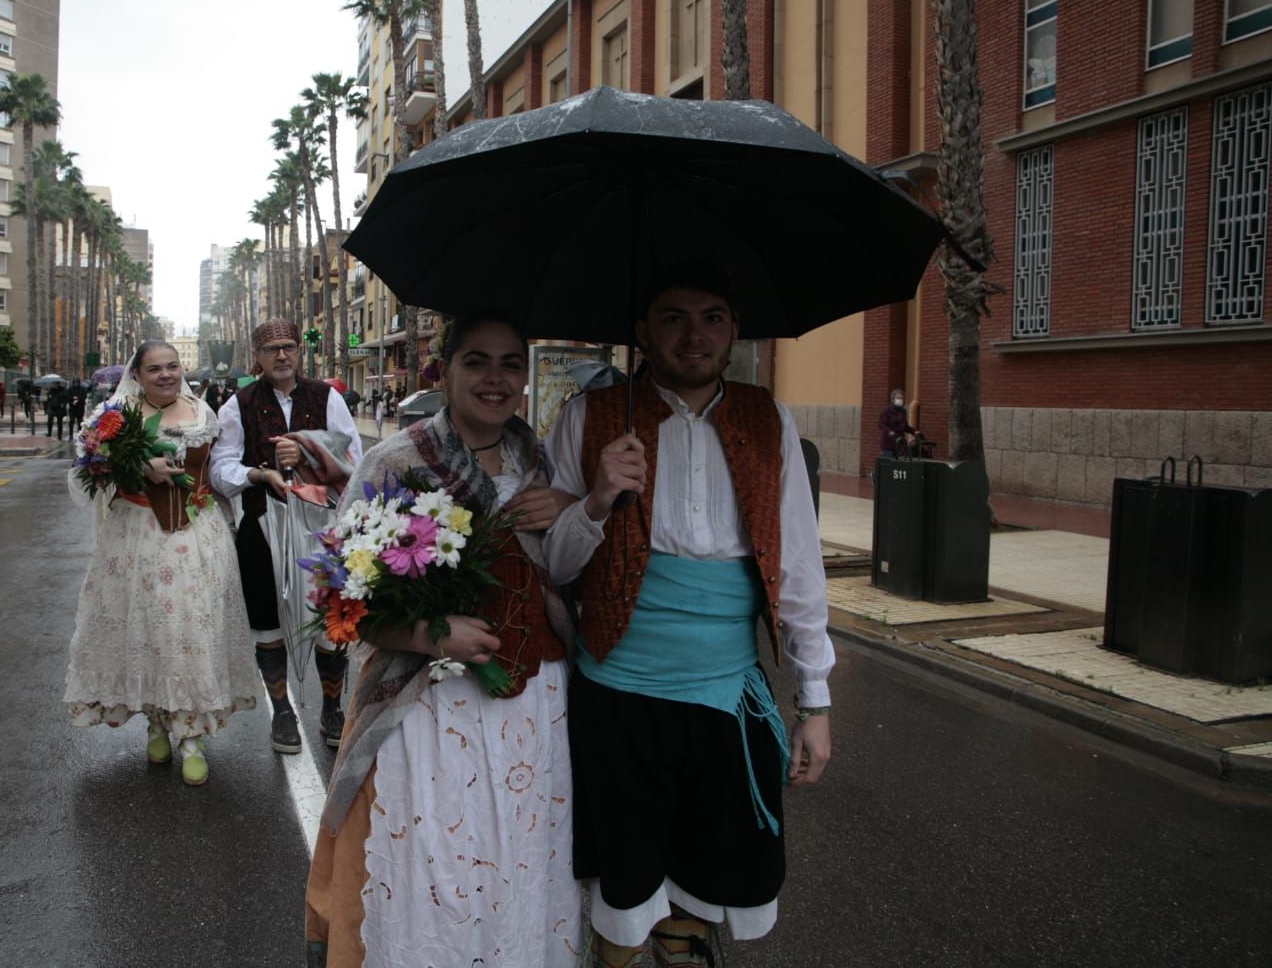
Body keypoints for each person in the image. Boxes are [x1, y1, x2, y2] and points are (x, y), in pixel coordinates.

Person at [544, 260, 834, 966]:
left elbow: (795, 565)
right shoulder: (589, 418)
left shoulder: (769, 418)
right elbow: (550, 566)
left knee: (708, 872)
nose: (693, 335)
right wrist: (598, 499)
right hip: (618, 694)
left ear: (734, 329)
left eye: (712, 317)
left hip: (726, 697)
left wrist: (815, 701)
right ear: (641, 331)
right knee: (625, 876)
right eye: (672, 316)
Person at [305, 313, 581, 966]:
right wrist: (433, 632)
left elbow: (570, 585)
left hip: (533, 709)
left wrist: (575, 510)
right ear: (444, 369)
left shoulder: (539, 462)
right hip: (426, 713)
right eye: (477, 361)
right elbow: (333, 600)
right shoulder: (395, 462)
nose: (495, 378)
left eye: (511, 363)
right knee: (440, 869)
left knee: (518, 858)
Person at [63, 340, 259, 786]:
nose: (166, 375)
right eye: (156, 369)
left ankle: (190, 736)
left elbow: (218, 469)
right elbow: (87, 469)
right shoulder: (113, 418)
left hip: (197, 536)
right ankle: (155, 721)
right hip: (137, 534)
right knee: (150, 630)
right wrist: (134, 465)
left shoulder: (204, 414)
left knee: (189, 630)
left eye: (172, 366)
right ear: (139, 373)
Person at [208, 319, 362, 755]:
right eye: (271, 348)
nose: (281, 355)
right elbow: (220, 468)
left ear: (299, 351)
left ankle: (332, 707)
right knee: (268, 625)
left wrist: (309, 449)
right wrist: (259, 472)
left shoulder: (327, 396)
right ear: (256, 355)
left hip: (325, 530)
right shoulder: (238, 404)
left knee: (332, 624)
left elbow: (354, 455)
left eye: (289, 347)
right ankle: (282, 711)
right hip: (261, 528)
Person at [879, 387, 917, 461]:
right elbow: (882, 424)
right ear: (893, 399)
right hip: (888, 442)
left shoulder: (902, 411)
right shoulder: (886, 410)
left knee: (898, 462)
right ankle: (875, 473)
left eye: (902, 398)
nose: (900, 400)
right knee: (888, 461)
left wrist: (914, 431)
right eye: (898, 398)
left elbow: (904, 426)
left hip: (899, 442)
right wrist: (889, 431)